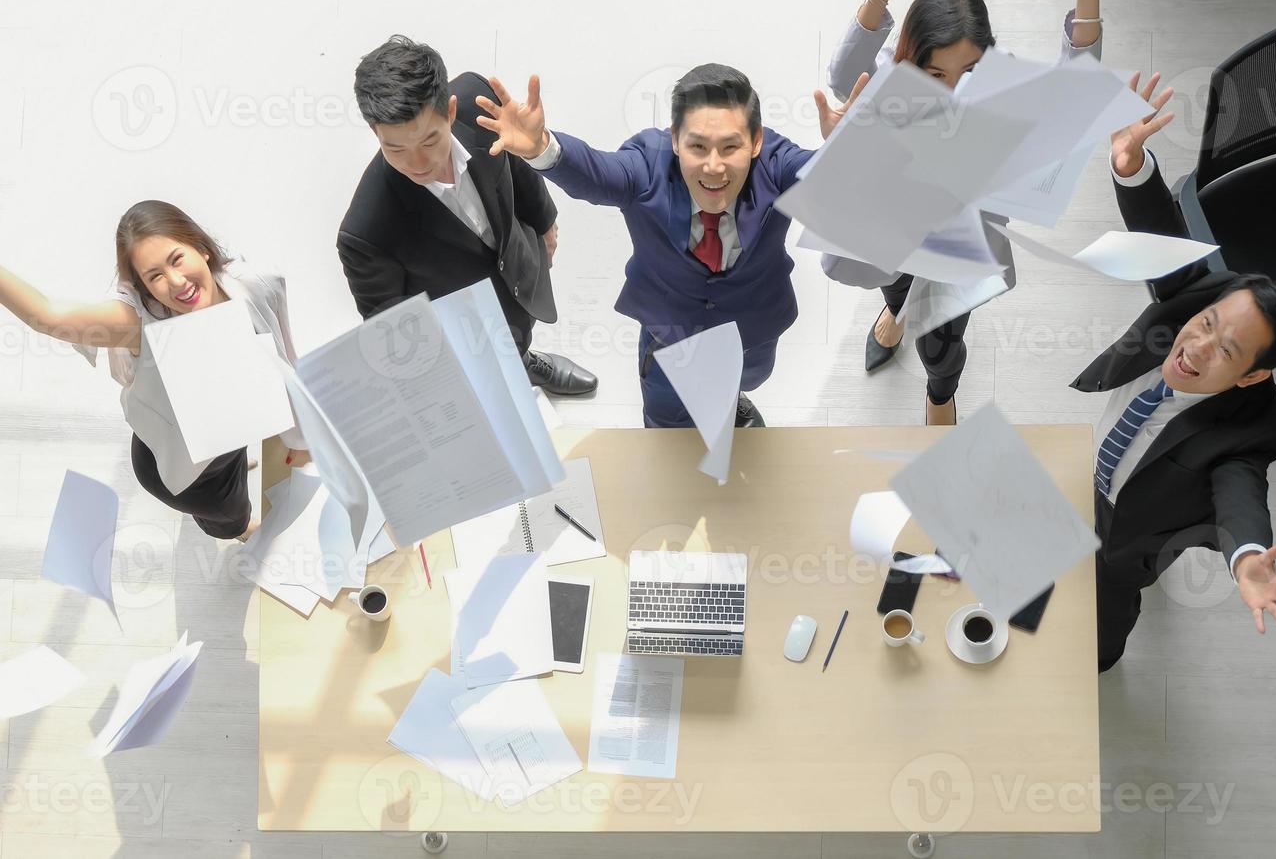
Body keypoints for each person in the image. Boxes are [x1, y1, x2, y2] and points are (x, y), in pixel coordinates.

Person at [822, 0, 1141, 425]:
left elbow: (1072, 95)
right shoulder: (886, 82)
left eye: (966, 72)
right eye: (933, 74)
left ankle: (940, 396)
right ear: (908, 58)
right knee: (897, 289)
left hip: (959, 253)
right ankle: (897, 312)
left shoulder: (1001, 94)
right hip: (892, 239)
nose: (948, 92)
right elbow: (839, 76)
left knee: (942, 345)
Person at [471, 65, 867, 428]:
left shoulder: (775, 160)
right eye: (698, 147)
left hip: (754, 328)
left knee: (748, 379)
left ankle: (732, 399)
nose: (714, 167)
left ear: (757, 141)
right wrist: (543, 148)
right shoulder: (647, 163)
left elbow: (817, 181)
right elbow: (596, 172)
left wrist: (846, 156)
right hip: (669, 335)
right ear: (675, 140)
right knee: (664, 421)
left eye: (730, 148)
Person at [1081, 72, 1276, 672]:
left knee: (1110, 601)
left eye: (1228, 352)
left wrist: (1249, 557)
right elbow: (1164, 238)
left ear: (1252, 377)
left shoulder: (1248, 433)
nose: (1196, 346)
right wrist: (1132, 164)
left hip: (1135, 539)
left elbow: (1241, 497)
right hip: (1098, 474)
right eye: (1207, 324)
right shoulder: (1193, 304)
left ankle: (1100, 658)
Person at [0, 201, 308, 540]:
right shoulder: (140, 326)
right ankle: (239, 531)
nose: (177, 283)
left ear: (201, 248)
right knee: (231, 512)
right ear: (143, 287)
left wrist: (299, 433)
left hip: (228, 427)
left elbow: (283, 357)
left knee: (235, 450)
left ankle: (234, 469)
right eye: (155, 276)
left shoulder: (255, 285)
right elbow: (49, 317)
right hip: (187, 472)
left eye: (177, 259)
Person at [340, 35, 597, 397]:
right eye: (395, 148)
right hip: (460, 338)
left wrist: (544, 222)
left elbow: (512, 156)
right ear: (374, 131)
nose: (417, 163)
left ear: (451, 111)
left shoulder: (481, 100)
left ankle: (523, 361)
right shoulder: (365, 232)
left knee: (517, 331)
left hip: (515, 267)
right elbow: (396, 338)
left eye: (429, 141)